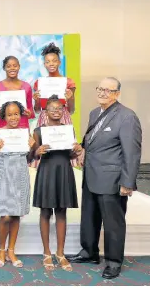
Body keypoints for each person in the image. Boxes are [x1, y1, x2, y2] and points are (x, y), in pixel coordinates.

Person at [67, 77, 142, 280]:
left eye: (107, 90)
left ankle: (114, 262)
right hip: (91, 175)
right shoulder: (94, 113)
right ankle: (89, 253)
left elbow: (132, 152)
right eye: (100, 88)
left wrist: (127, 182)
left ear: (117, 93)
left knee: (113, 223)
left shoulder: (127, 117)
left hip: (112, 180)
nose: (102, 93)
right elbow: (93, 142)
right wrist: (82, 150)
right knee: (89, 218)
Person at [32, 96, 83, 271]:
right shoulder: (38, 130)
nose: (56, 111)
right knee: (45, 212)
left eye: (59, 108)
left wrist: (76, 151)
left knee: (62, 212)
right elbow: (32, 156)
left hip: (64, 172)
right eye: (52, 108)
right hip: (46, 172)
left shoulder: (69, 130)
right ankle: (47, 253)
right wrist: (37, 151)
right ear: (45, 112)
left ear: (63, 111)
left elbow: (70, 154)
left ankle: (60, 253)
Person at [0, 101, 35, 268]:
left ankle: (11, 250)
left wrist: (32, 148)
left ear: (21, 115)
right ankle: (1, 249)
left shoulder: (26, 134)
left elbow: (29, 160)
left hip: (20, 174)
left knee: (16, 214)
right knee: (5, 214)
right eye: (10, 114)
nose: (13, 117)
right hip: (3, 173)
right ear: (4, 116)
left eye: (16, 114)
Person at [31, 43, 79, 168]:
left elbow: (72, 110)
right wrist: (36, 100)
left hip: (63, 118)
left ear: (59, 62)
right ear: (44, 64)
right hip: (44, 118)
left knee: (63, 151)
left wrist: (71, 97)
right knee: (45, 153)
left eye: (54, 61)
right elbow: (37, 110)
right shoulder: (39, 83)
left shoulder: (68, 82)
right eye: (48, 61)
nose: (51, 64)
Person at [0, 56, 34, 129]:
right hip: (3, 126)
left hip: (22, 126)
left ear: (19, 67)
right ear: (4, 68)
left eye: (15, 66)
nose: (12, 68)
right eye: (8, 66)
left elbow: (30, 109)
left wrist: (29, 113)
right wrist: (1, 112)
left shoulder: (27, 87)